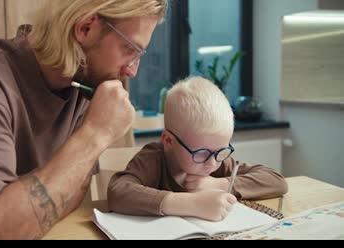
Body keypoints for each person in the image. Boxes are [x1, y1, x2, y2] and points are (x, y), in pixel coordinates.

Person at [0, 0, 168, 239]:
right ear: (86, 28)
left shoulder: (84, 84)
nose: (132, 71)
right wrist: (95, 134)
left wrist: (7, 221)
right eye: (130, 49)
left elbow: (74, 192)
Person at [107, 76, 288, 222]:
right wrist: (190, 203)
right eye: (201, 153)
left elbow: (276, 181)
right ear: (169, 141)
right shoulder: (153, 158)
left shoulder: (217, 159)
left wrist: (219, 184)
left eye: (221, 151)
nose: (212, 164)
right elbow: (117, 192)